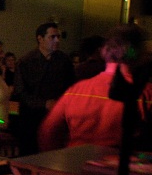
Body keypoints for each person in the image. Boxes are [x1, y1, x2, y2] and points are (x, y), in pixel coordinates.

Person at [38, 24, 152, 152]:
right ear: (139, 54)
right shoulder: (146, 93)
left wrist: (62, 158)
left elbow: (48, 133)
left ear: (104, 51)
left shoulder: (76, 91)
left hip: (76, 162)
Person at [13, 22, 75, 155]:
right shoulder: (26, 61)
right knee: (30, 154)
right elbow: (20, 92)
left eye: (58, 37)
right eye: (52, 37)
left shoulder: (64, 61)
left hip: (56, 116)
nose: (57, 40)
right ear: (40, 39)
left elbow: (71, 87)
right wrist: (44, 103)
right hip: (31, 118)